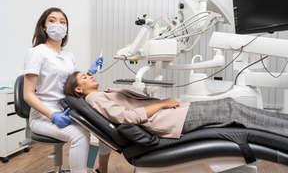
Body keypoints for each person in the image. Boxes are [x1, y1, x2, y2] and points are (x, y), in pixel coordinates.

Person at [63, 71, 288, 172]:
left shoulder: (99, 93)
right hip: (170, 120)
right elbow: (127, 118)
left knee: (234, 110)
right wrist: (162, 104)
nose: (91, 75)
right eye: (85, 77)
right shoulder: (93, 97)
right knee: (233, 109)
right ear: (79, 89)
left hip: (174, 115)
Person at [23, 7, 103, 173]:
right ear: (44, 27)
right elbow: (28, 94)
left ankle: (88, 168)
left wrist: (89, 74)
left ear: (66, 29)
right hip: (43, 116)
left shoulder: (69, 56)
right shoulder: (36, 53)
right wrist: (52, 116)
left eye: (62, 22)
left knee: (97, 129)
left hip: (65, 110)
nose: (58, 25)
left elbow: (68, 86)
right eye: (52, 21)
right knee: (79, 136)